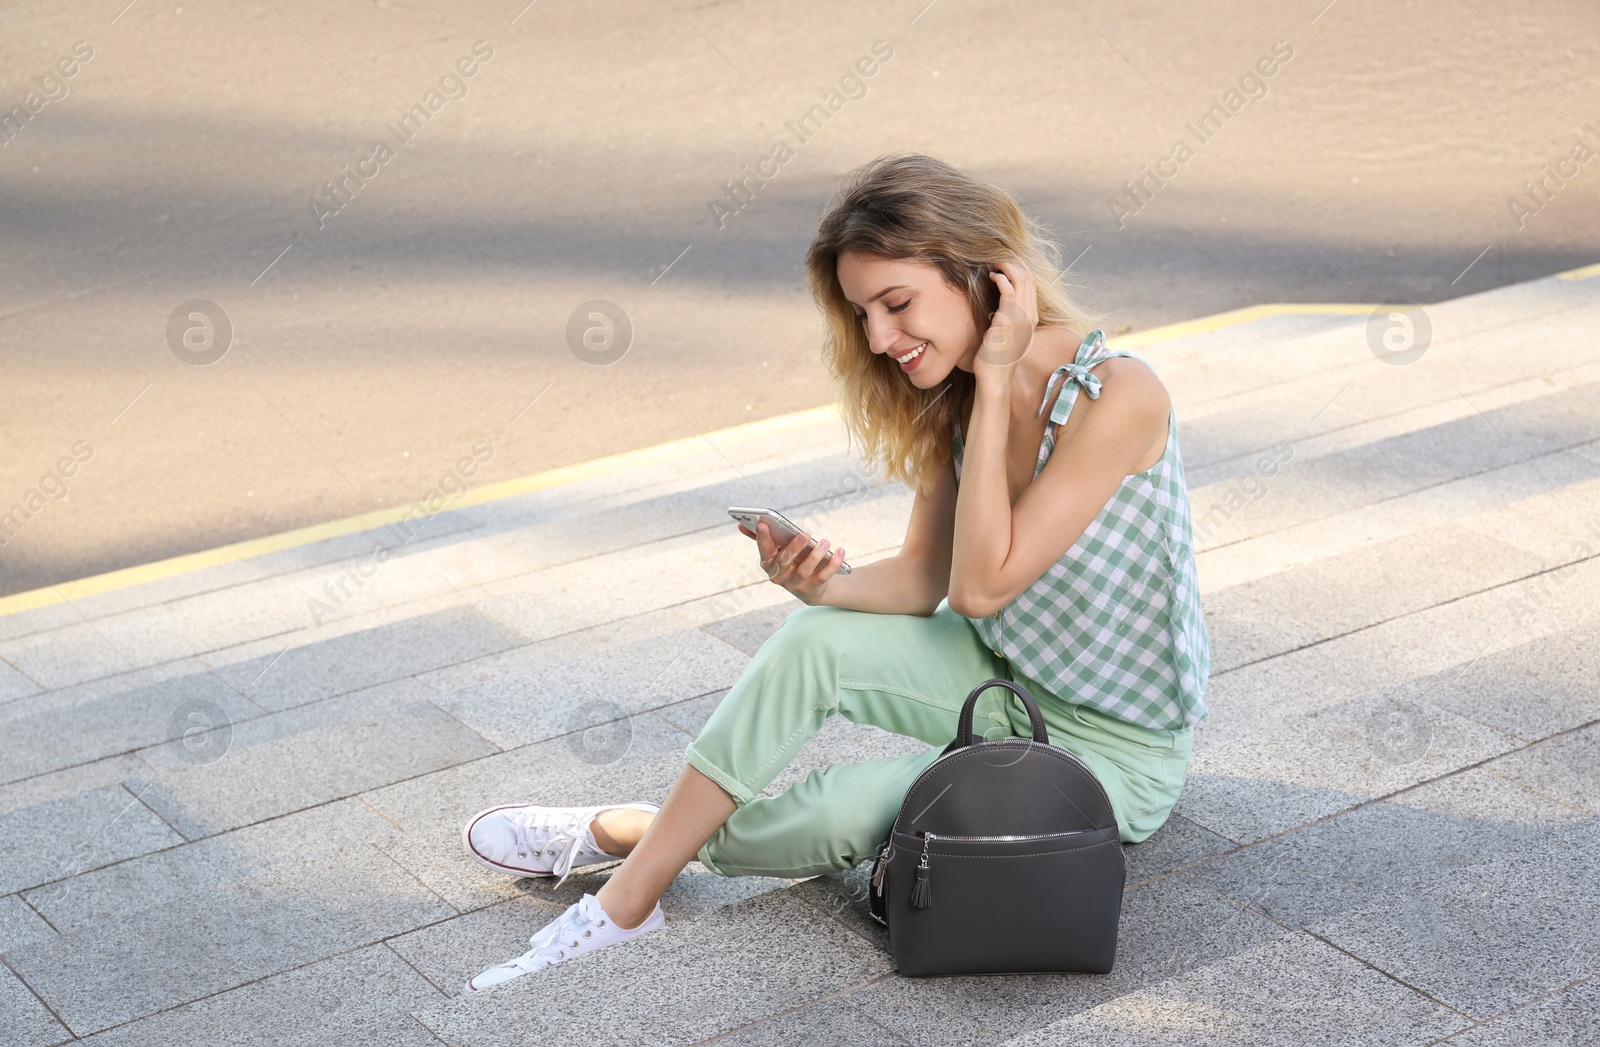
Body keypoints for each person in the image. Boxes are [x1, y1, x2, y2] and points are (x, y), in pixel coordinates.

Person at [460, 153, 1211, 993]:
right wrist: (820, 586)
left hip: (1114, 750)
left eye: (897, 304)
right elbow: (925, 580)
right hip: (1004, 675)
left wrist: (996, 377)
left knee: (841, 813)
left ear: (988, 280)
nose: (880, 339)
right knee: (815, 636)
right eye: (864, 313)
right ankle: (631, 902)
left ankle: (632, 831)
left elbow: (981, 588)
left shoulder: (1119, 394)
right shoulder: (962, 399)